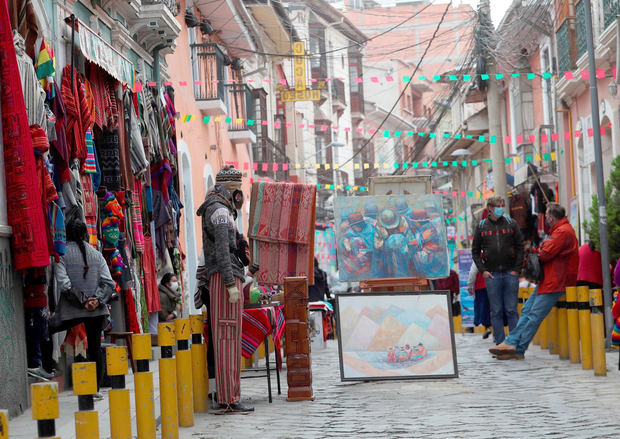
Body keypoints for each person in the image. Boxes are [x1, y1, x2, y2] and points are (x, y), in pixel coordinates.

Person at [196, 166, 253, 413]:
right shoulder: (220, 211)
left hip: (225, 275)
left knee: (227, 338)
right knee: (227, 339)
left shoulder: (222, 208)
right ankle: (229, 398)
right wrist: (231, 284)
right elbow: (221, 250)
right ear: (232, 186)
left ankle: (230, 395)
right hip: (224, 278)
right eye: (237, 186)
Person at [490, 203, 579, 360]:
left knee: (534, 315)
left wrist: (540, 248)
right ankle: (515, 348)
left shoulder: (562, 232)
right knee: (527, 311)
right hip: (549, 279)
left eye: (547, 216)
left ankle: (513, 345)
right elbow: (544, 250)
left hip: (556, 281)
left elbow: (544, 253)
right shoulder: (559, 231)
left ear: (551, 217)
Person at [50, 217, 116, 396]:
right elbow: (109, 283)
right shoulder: (97, 254)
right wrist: (95, 300)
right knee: (95, 348)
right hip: (96, 310)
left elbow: (64, 284)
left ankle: (47, 370)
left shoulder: (61, 255)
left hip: (71, 311)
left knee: (47, 330)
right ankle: (95, 390)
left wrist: (83, 301)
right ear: (85, 234)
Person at [471, 196, 524, 345]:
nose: (501, 208)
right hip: (492, 275)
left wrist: (516, 269)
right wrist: (483, 271)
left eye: (502, 205)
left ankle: (514, 344)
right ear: (490, 208)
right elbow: (475, 251)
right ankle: (500, 344)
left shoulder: (511, 224)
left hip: (510, 273)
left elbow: (520, 247)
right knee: (496, 311)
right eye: (498, 206)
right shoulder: (481, 227)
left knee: (512, 310)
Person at [467, 263, 491, 339]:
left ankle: (487, 328)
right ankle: (495, 331)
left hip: (481, 287)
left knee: (483, 308)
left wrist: (470, 285)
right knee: (493, 308)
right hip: (494, 286)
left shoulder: (478, 258)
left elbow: (472, 272)